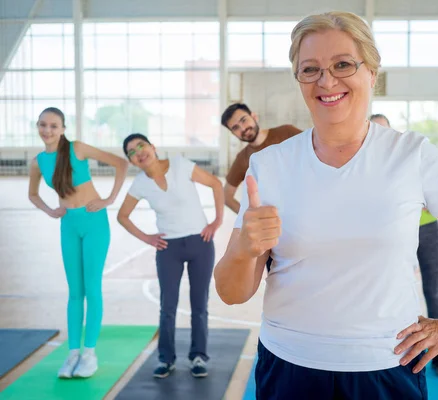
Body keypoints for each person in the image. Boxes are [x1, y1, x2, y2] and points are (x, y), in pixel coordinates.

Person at [214, 11, 438, 400]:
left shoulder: (412, 155)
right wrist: (244, 248)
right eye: (310, 69)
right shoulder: (270, 165)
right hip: (289, 367)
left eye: (342, 64)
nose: (326, 80)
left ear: (372, 72)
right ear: (299, 80)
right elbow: (232, 293)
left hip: (386, 368)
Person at [28, 107, 128, 378]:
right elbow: (33, 195)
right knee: (75, 292)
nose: (47, 130)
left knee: (92, 288)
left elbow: (121, 163)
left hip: (94, 223)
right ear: (38, 127)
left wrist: (109, 199)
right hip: (68, 225)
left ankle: (90, 354)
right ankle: (73, 353)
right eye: (42, 125)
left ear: (62, 128)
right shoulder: (38, 161)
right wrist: (50, 211)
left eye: (53, 125)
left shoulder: (78, 148)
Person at [117, 133, 224, 379]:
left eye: (141, 146)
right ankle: (166, 359)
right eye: (132, 151)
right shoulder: (140, 184)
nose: (138, 152)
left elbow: (216, 184)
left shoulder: (179, 164)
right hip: (168, 249)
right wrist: (147, 238)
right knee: (168, 306)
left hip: (200, 242)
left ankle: (198, 356)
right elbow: (122, 216)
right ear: (132, 161)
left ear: (153, 147)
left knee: (199, 305)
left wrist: (217, 221)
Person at [369, 113, 438, 378]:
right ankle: (391, 346)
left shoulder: (410, 158)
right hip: (392, 234)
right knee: (391, 291)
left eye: (384, 130)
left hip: (426, 230)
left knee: (432, 291)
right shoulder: (366, 166)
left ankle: (437, 357)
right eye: (374, 130)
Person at [221, 103, 302, 214]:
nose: (243, 129)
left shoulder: (287, 132)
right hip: (278, 220)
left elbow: (318, 150)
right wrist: (250, 216)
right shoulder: (243, 159)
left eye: (244, 120)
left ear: (254, 116)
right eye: (235, 128)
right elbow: (226, 196)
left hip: (309, 204)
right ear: (233, 133)